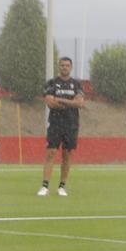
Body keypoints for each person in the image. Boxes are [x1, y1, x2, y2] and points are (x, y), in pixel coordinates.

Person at [37, 55, 86, 197]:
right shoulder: (51, 83)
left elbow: (79, 104)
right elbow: (50, 103)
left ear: (71, 67)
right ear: (59, 67)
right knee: (50, 153)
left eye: (67, 65)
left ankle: (62, 186)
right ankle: (45, 186)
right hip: (55, 123)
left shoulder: (76, 85)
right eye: (62, 65)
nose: (64, 67)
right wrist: (69, 102)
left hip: (71, 124)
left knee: (67, 155)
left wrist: (59, 99)